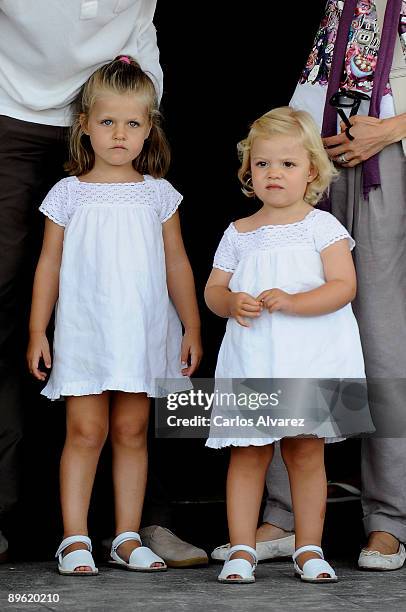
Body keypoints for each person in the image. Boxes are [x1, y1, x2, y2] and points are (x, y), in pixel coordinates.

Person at [0, 0, 206, 567]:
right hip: (89, 334)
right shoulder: (67, 194)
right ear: (85, 126)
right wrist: (39, 330)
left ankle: (128, 536)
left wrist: (191, 325)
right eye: (108, 122)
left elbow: (179, 265)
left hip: (142, 333)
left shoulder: (159, 194)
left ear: (149, 129)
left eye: (133, 123)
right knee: (86, 431)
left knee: (135, 431)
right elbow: (46, 266)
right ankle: (73, 537)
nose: (120, 134)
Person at [212, 0, 406, 571]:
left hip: (385, 154)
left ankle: (390, 519)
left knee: (380, 337)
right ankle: (280, 516)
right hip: (306, 149)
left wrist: (390, 128)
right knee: (279, 344)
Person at [204, 106, 372, 583]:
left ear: (312, 172)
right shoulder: (239, 232)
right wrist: (230, 301)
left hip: (310, 357)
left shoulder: (323, 227)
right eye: (262, 164)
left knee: (305, 451)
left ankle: (309, 548)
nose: (273, 173)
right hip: (255, 357)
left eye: (287, 164)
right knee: (248, 451)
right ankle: (241, 549)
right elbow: (213, 291)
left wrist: (297, 302)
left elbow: (343, 286)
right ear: (248, 172)